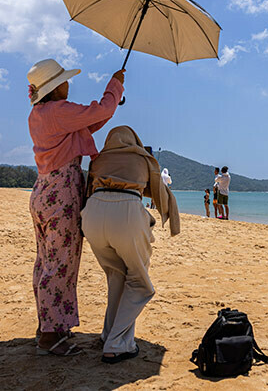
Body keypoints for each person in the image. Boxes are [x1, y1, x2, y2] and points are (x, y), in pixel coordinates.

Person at [27, 58, 124, 356]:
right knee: (61, 264)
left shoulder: (40, 113)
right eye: (65, 81)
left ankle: (49, 324)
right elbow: (101, 112)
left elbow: (91, 121)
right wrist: (116, 84)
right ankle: (50, 336)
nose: (69, 84)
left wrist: (110, 98)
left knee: (46, 261)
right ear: (56, 87)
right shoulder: (60, 111)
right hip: (61, 195)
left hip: (43, 191)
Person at [82, 126, 180, 364]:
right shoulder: (141, 157)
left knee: (116, 277)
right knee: (140, 284)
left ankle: (108, 335)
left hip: (93, 214)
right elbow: (155, 188)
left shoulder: (98, 158)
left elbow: (88, 187)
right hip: (125, 214)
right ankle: (116, 343)